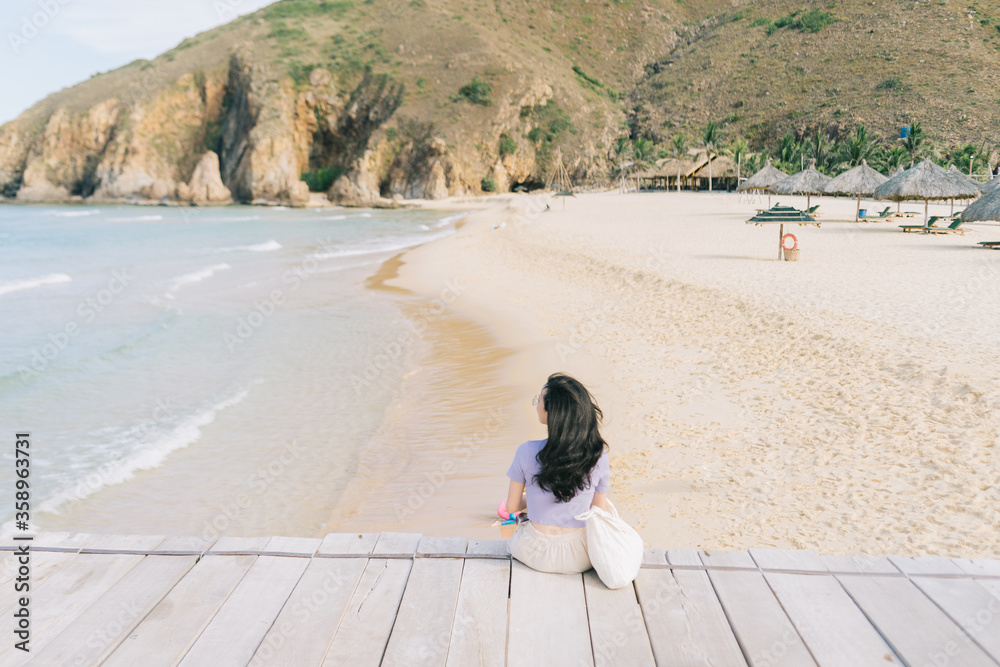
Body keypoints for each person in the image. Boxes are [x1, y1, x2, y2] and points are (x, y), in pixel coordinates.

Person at [504, 373, 610, 574]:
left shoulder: (526, 451)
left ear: (553, 413)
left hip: (534, 553)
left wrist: (532, 499)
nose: (537, 404)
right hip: (582, 557)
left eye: (540, 400)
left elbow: (511, 506)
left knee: (519, 533)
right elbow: (599, 511)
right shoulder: (598, 456)